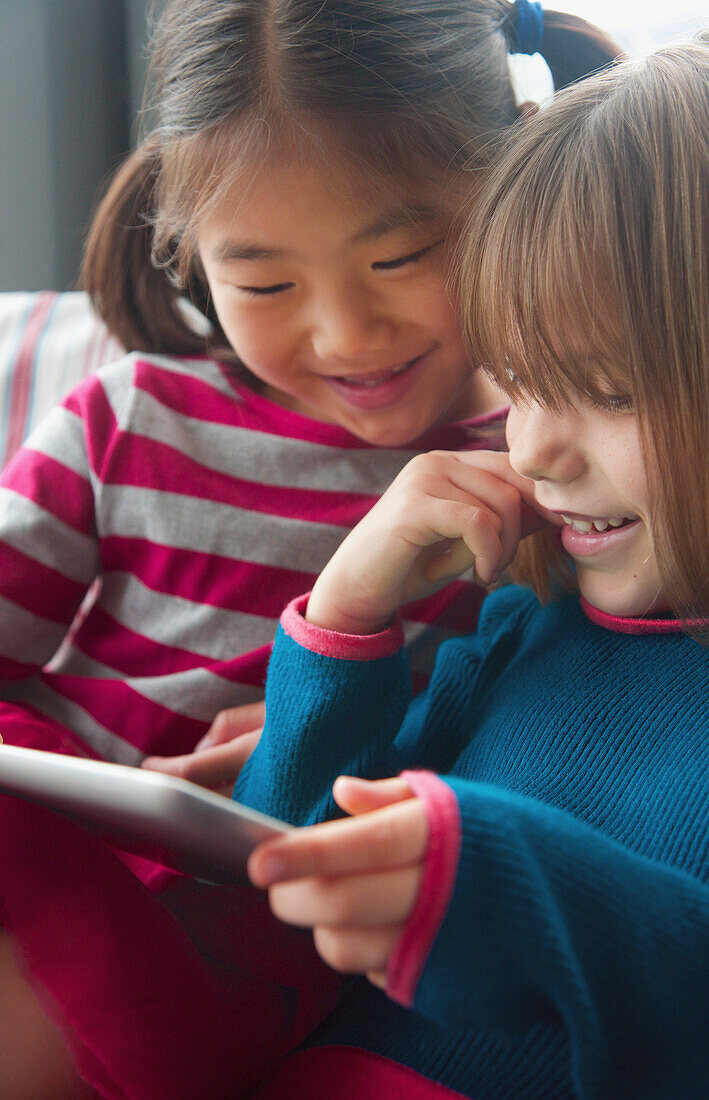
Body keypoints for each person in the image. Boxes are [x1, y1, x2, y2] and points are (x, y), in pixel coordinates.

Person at [0, 1, 622, 1097]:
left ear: (511, 192)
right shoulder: (131, 416)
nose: (345, 334)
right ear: (189, 251)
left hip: (266, 938)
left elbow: (540, 779)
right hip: (49, 875)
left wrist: (338, 728)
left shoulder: (555, 474)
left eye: (400, 254)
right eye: (266, 284)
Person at [234, 28, 709, 1098]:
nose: (533, 450)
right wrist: (343, 624)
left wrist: (514, 882)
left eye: (605, 388)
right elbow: (277, 881)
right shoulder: (517, 637)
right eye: (517, 380)